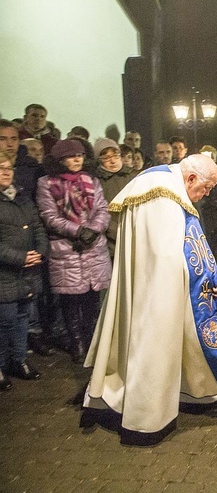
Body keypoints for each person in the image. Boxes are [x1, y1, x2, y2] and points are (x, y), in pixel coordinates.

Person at [81, 154, 217, 446]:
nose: (208, 193)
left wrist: (216, 273)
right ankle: (146, 417)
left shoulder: (165, 184)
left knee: (183, 340)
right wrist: (210, 278)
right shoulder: (161, 195)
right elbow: (169, 254)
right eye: (207, 186)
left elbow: (192, 240)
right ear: (190, 178)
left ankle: (190, 394)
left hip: (167, 284)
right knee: (157, 344)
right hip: (160, 289)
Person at [36, 139, 112, 364]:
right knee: (70, 301)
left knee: (91, 298)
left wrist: (92, 231)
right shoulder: (46, 183)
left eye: (79, 155)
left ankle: (91, 341)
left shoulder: (92, 181)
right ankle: (77, 343)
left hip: (93, 247)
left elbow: (102, 210)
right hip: (66, 248)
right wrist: (78, 231)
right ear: (60, 160)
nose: (77, 159)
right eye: (71, 156)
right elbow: (49, 216)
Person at [0, 152, 49, 389]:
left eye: (9, 168)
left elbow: (38, 227)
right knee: (4, 321)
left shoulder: (22, 197)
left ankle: (19, 360)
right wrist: (20, 257)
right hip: (5, 274)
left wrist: (39, 251)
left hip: (27, 273)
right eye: (1, 168)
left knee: (22, 318)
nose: (6, 172)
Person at [93, 138, 136, 257]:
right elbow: (100, 211)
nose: (112, 161)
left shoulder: (133, 176)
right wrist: (116, 233)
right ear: (99, 161)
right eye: (106, 158)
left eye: (115, 155)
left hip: (136, 235)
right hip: (112, 242)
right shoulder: (97, 181)